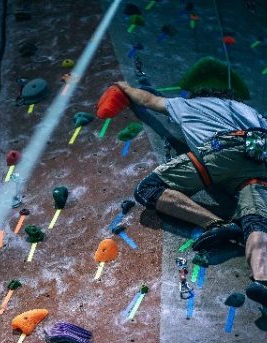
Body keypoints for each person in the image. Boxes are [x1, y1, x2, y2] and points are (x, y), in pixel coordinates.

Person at [114, 59, 267, 308]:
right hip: (257, 163)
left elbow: (149, 101)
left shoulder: (185, 104)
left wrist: (125, 87)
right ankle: (263, 281)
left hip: (217, 156)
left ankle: (215, 223)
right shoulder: (253, 113)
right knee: (256, 221)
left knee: (149, 189)